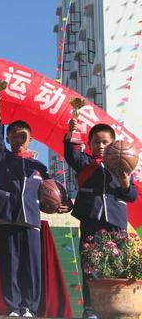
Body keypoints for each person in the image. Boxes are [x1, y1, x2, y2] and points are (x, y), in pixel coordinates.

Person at [0, 101, 70, 318]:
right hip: (8, 218)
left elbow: (54, 192)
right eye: (14, 136)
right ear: (8, 139)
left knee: (32, 268)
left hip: (31, 222)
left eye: (23, 136)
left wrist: (64, 203)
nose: (19, 139)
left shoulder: (40, 168)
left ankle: (30, 308)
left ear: (31, 140)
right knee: (9, 266)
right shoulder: (3, 158)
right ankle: (13, 307)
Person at [64, 121, 138, 319]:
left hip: (117, 224)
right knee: (90, 268)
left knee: (119, 266)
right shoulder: (85, 163)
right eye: (96, 142)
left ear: (114, 144)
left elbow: (132, 196)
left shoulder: (123, 165)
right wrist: (72, 133)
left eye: (105, 142)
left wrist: (125, 184)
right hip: (91, 222)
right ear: (89, 144)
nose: (101, 145)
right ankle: (90, 310)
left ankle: (116, 308)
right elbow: (71, 154)